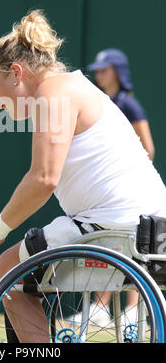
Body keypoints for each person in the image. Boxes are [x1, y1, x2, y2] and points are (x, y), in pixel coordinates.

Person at [0, 10, 166, 343]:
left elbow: (43, 179)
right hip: (156, 232)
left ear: (17, 73)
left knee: (8, 267)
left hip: (117, 232)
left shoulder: (54, 93)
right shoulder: (77, 87)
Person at [67, 49, 156, 327]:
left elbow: (148, 147)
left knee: (132, 250)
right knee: (107, 249)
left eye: (104, 70)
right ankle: (100, 308)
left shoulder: (129, 105)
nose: (99, 75)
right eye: (98, 70)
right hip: (110, 197)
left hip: (131, 192)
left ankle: (132, 309)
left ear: (118, 72)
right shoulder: (102, 102)